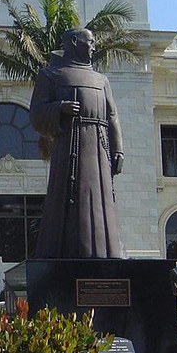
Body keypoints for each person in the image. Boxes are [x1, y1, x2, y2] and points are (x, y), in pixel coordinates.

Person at [29, 27, 124, 258]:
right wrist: (59, 108)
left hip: (99, 147)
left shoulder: (101, 80)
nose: (94, 46)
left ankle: (107, 254)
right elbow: (36, 114)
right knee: (71, 199)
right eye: (90, 41)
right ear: (73, 41)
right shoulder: (51, 74)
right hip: (70, 147)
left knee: (103, 199)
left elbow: (112, 116)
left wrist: (118, 149)